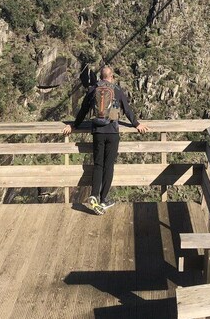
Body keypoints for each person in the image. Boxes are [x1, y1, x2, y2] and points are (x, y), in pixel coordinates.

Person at [63, 66, 148, 214]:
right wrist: (137, 124)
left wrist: (73, 126)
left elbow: (83, 110)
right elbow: (127, 110)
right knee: (109, 166)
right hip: (112, 132)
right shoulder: (116, 90)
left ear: (100, 77)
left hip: (97, 131)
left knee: (98, 164)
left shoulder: (92, 90)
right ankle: (103, 200)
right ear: (112, 77)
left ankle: (94, 195)